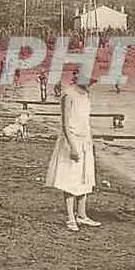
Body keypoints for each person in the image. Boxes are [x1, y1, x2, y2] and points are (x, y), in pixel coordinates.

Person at [45, 74, 101, 231]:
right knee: (70, 178)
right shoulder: (68, 94)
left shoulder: (86, 94)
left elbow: (85, 121)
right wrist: (73, 147)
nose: (90, 84)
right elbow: (65, 124)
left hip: (85, 140)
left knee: (85, 176)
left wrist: (89, 142)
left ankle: (82, 215)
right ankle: (70, 217)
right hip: (72, 140)